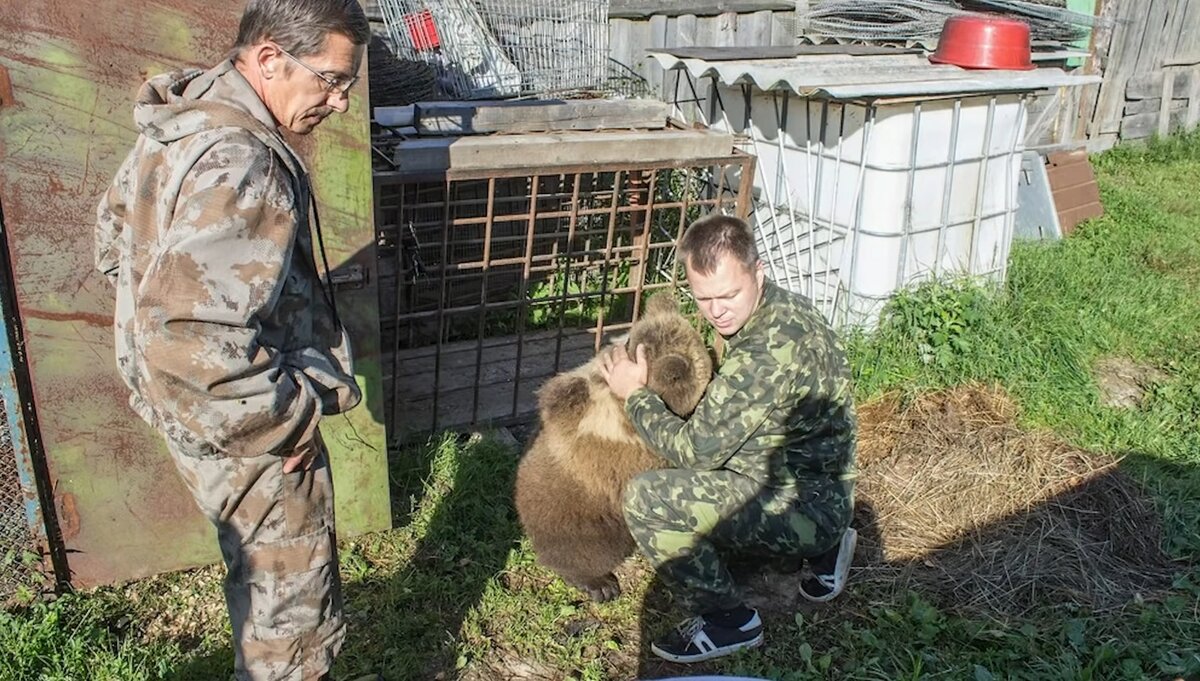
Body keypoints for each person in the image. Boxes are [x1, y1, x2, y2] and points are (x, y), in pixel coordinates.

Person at [94, 1, 376, 679]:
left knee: (253, 577)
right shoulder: (241, 160)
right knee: (290, 623)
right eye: (332, 81)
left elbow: (112, 242)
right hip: (250, 431)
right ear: (272, 59)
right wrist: (286, 420)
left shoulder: (181, 120)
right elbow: (193, 336)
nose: (339, 104)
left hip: (191, 414)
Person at [600, 213, 858, 664]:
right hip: (825, 486)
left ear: (758, 271)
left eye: (729, 295)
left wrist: (636, 397)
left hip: (807, 507)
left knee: (647, 497)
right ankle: (827, 546)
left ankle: (729, 621)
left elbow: (694, 451)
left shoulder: (765, 351)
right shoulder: (788, 310)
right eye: (704, 298)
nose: (717, 310)